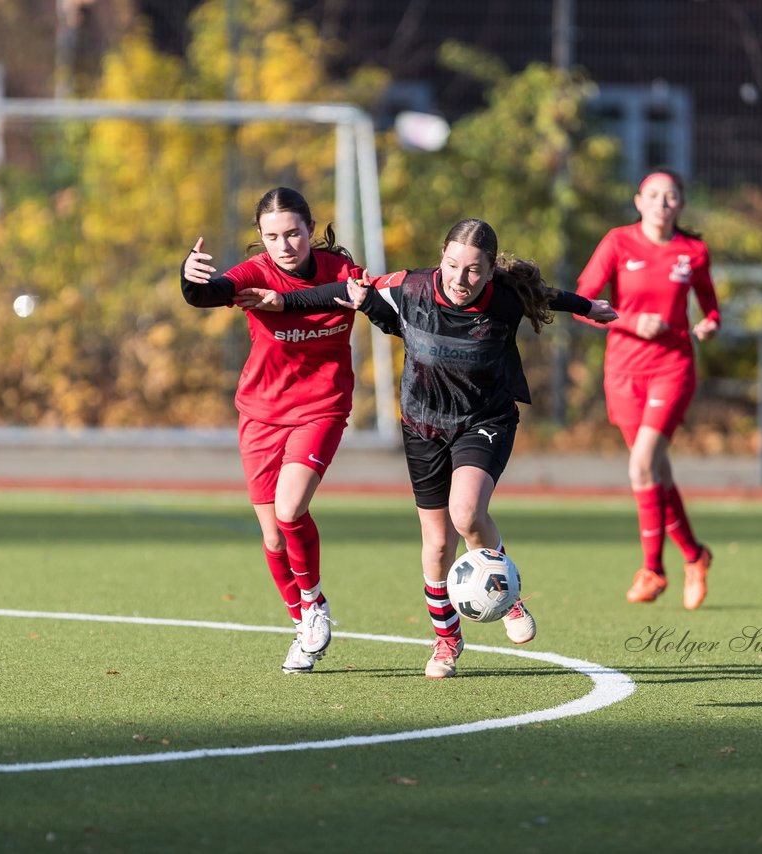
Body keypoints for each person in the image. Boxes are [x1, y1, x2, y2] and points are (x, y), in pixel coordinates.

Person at [240, 218, 618, 678]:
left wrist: (588, 307)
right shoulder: (410, 286)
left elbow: (548, 296)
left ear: (490, 272)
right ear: (441, 258)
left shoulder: (506, 296)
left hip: (485, 420)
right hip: (422, 425)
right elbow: (346, 288)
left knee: (467, 514)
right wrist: (283, 300)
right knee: (437, 544)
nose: (461, 279)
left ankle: (508, 596)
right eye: (453, 265)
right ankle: (446, 641)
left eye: (475, 270)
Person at [180, 187, 364, 674]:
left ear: (309, 229)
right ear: (260, 239)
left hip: (321, 407)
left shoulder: (340, 270)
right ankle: (304, 622)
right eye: (273, 237)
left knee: (290, 508)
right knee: (275, 538)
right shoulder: (254, 273)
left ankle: (314, 601)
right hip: (260, 413)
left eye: (293, 234)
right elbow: (209, 293)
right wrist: (190, 279)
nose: (285, 245)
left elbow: (349, 294)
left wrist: (282, 303)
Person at [574, 168, 720, 610]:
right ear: (638, 201)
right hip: (623, 372)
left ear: (681, 204)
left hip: (672, 369)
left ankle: (653, 570)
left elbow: (711, 306)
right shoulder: (617, 242)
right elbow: (582, 301)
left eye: (670, 196)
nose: (661, 202)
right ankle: (695, 556)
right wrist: (632, 321)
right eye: (653, 195)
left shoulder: (692, 251)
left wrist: (710, 324)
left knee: (641, 466)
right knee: (658, 473)